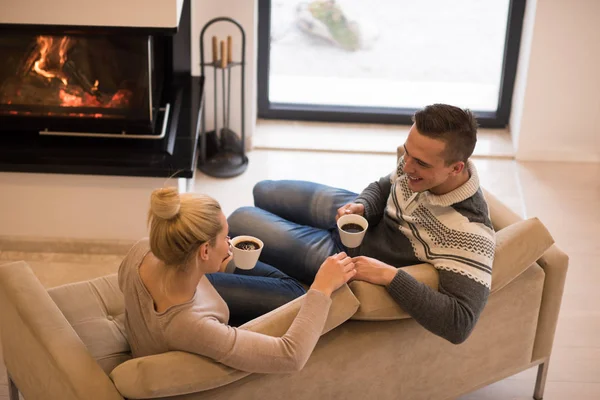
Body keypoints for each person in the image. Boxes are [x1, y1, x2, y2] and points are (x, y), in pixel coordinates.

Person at [228, 103, 496, 344]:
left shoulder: (469, 233)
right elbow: (383, 187)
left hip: (352, 254)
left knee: (241, 219)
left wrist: (391, 276)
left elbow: (460, 324)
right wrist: (362, 206)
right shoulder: (419, 165)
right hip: (359, 219)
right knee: (264, 190)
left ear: (456, 168)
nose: (407, 165)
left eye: (420, 163)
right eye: (408, 153)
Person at [118, 187, 356, 373]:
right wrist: (322, 287)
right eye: (225, 237)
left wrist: (218, 260)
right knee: (294, 294)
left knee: (280, 284)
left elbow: (123, 285)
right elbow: (290, 356)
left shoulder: (142, 251)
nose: (230, 243)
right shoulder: (191, 326)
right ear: (204, 252)